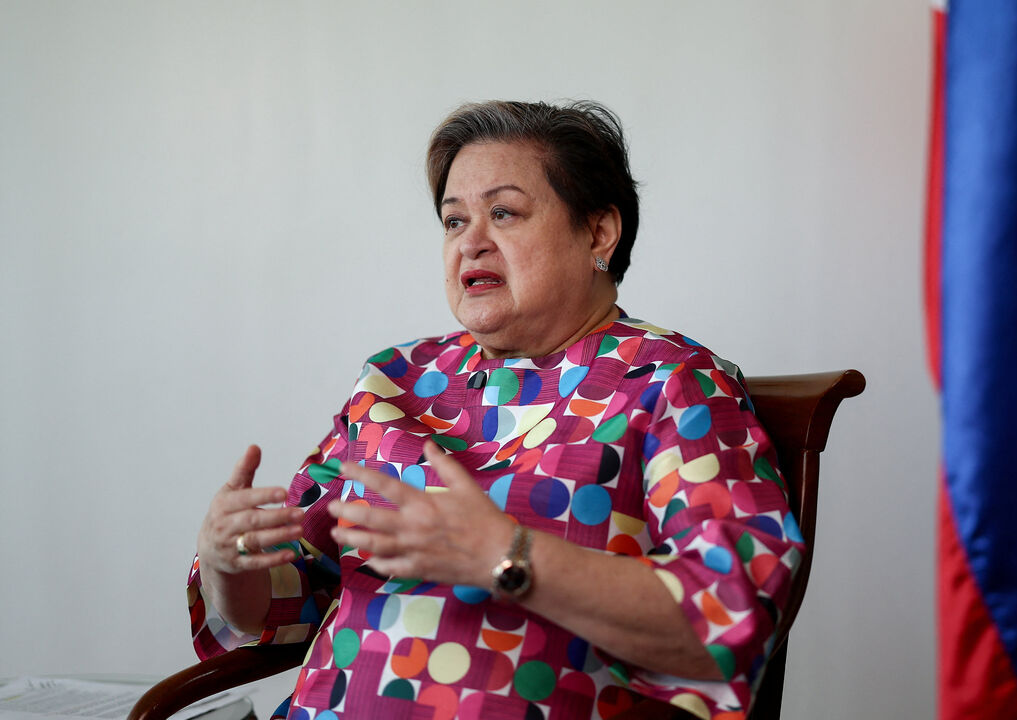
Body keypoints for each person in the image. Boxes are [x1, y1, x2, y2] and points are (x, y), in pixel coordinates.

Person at [189, 100, 804, 720]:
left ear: (598, 233)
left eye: (503, 213)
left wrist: (506, 558)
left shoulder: (673, 384)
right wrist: (227, 562)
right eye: (454, 222)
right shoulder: (395, 380)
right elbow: (286, 599)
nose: (471, 243)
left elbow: (729, 619)